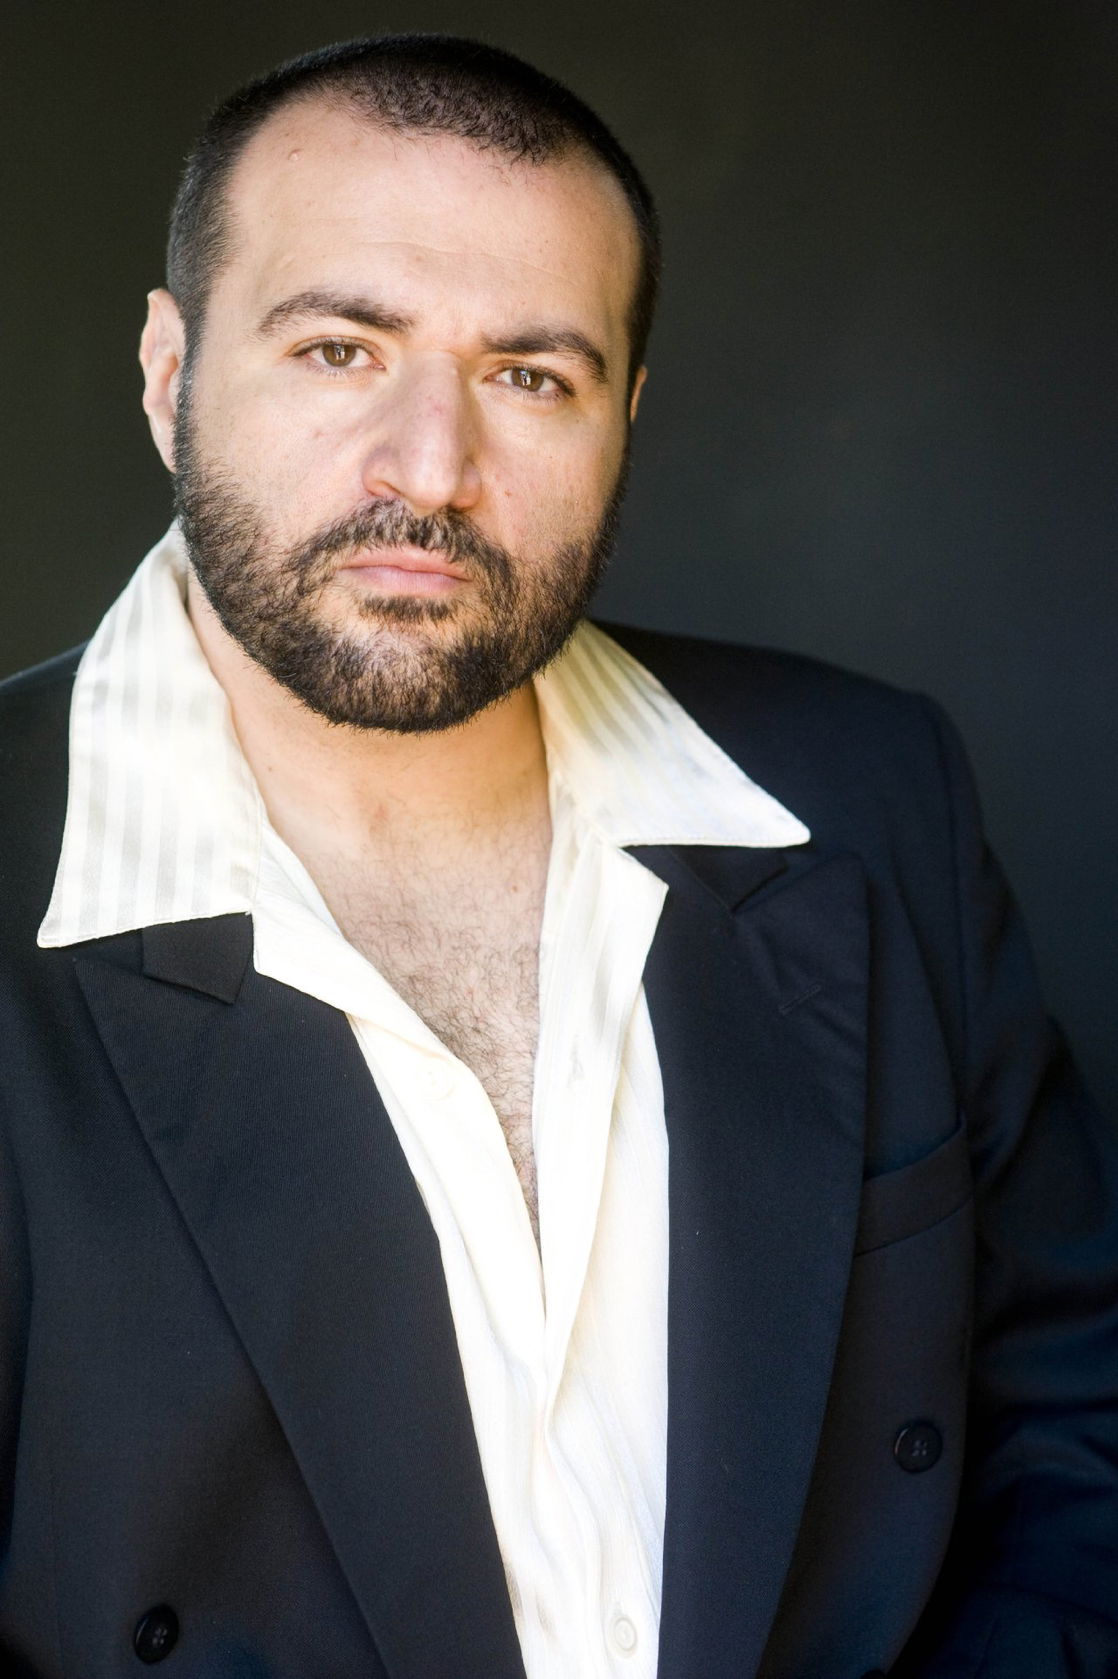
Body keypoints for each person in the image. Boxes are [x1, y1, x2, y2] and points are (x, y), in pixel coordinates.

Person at [0, 32, 1114, 1679]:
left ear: (626, 413)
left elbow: (1072, 1417)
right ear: (169, 373)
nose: (430, 470)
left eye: (530, 376)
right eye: (337, 350)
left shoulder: (869, 791)